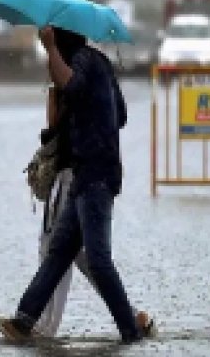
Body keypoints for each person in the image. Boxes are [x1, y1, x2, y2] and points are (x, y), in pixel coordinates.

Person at [0, 26, 146, 344]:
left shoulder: (83, 63)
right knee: (58, 253)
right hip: (86, 173)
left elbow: (71, 83)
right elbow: (120, 114)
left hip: (95, 174)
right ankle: (23, 321)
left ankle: (131, 329)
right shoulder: (100, 63)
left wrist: (49, 48)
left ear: (62, 43)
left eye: (55, 46)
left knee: (98, 260)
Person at [34, 76, 154, 338]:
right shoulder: (92, 73)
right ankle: (132, 316)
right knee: (77, 254)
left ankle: (42, 325)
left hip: (74, 175)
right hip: (82, 175)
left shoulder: (75, 76)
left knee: (56, 249)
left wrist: (55, 92)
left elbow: (55, 125)